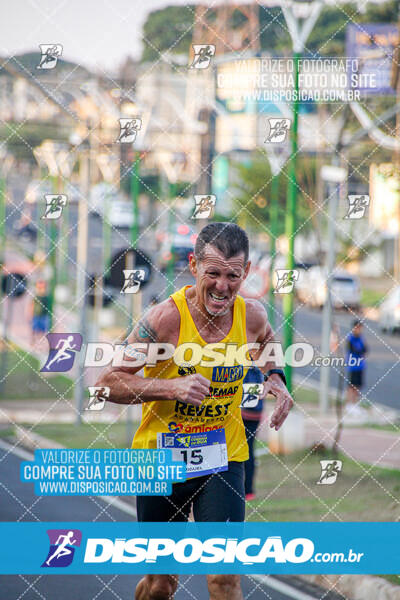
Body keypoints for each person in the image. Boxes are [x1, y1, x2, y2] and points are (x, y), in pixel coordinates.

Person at [95, 222, 294, 600]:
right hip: (161, 460)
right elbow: (107, 382)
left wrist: (277, 378)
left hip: (223, 458)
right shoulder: (164, 320)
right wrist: (170, 386)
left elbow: (267, 339)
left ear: (247, 272)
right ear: (193, 265)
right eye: (213, 274)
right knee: (160, 585)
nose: (223, 286)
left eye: (233, 276)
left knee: (224, 578)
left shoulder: (251, 315)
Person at [240, 365, 265, 501]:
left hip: (243, 410)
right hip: (256, 409)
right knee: (249, 450)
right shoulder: (261, 356)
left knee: (242, 452)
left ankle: (246, 489)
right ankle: (248, 490)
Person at [345, 319, 368, 417]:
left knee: (358, 386)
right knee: (351, 386)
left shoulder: (361, 338)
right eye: (358, 328)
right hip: (353, 366)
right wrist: (360, 350)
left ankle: (355, 404)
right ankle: (349, 404)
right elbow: (355, 350)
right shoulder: (350, 338)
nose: (360, 330)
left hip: (361, 365)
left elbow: (365, 349)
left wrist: (361, 350)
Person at [29, 280, 51, 344]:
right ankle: (33, 341)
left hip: (44, 316)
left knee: (44, 330)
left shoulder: (47, 297)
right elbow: (32, 305)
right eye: (39, 288)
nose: (41, 290)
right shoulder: (36, 296)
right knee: (34, 329)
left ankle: (42, 343)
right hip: (36, 315)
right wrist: (30, 314)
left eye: (43, 288)